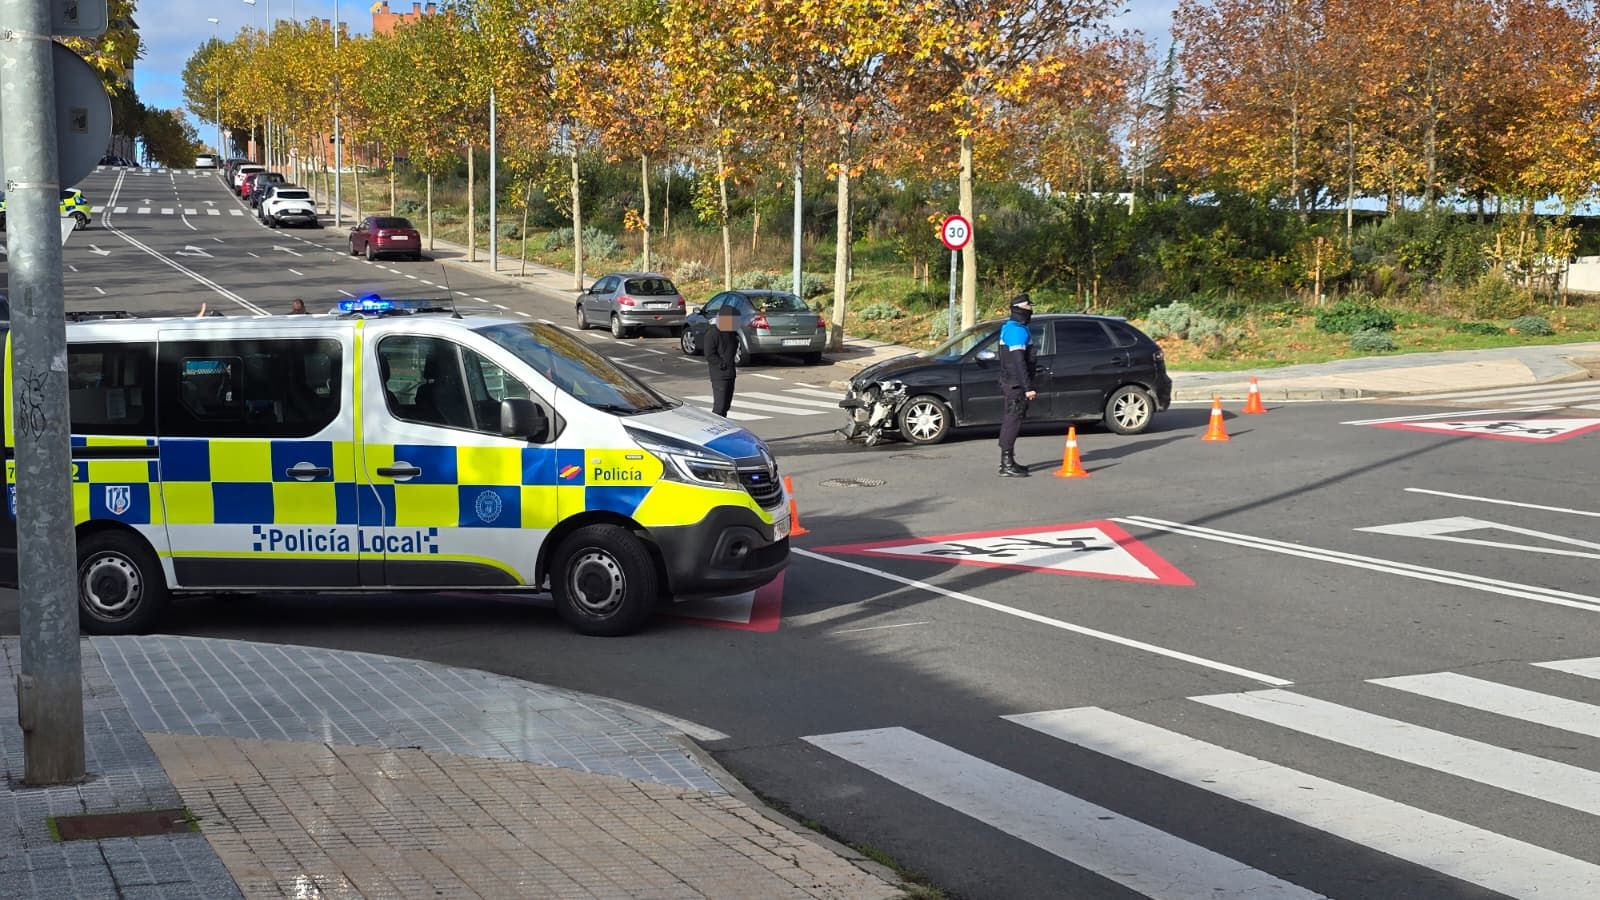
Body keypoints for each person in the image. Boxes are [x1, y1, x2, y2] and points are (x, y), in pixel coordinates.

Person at [997, 294, 1036, 477]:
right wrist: (1028, 387)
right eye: (1029, 307)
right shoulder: (1017, 331)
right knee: (1012, 420)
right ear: (1021, 309)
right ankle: (1007, 464)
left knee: (1012, 419)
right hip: (1015, 384)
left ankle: (1009, 461)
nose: (1031, 310)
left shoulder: (1011, 328)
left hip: (1011, 381)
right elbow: (1019, 362)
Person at [703, 306, 740, 417]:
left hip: (730, 374)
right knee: (719, 407)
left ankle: (723, 425)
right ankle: (715, 428)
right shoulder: (712, 333)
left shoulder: (732, 333)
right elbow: (709, 355)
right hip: (719, 375)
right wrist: (722, 364)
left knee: (726, 406)